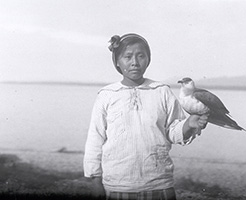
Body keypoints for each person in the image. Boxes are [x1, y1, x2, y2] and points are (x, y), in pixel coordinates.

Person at [83, 33, 208, 200]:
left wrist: (189, 124)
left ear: (148, 60)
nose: (135, 62)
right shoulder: (107, 95)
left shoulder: (161, 91)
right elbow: (95, 139)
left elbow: (173, 131)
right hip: (117, 185)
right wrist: (95, 181)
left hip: (159, 184)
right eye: (127, 57)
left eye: (141, 56)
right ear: (117, 62)